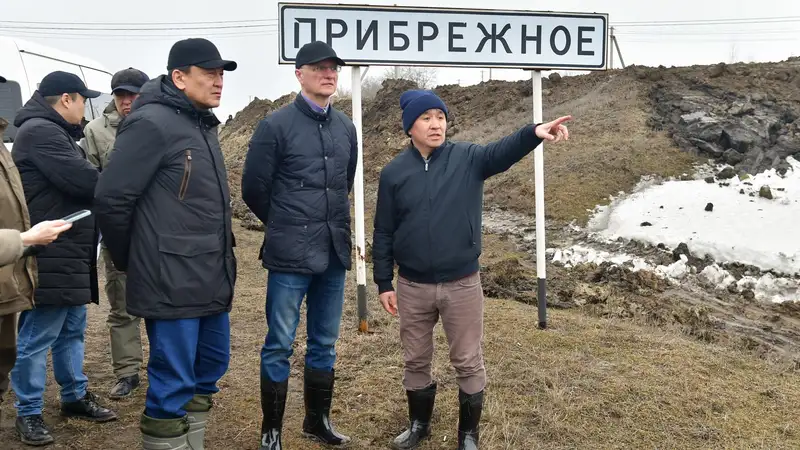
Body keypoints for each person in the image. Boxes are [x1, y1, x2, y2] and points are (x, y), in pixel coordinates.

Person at [372, 89, 571, 450]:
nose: (436, 124)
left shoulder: (468, 158)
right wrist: (383, 281)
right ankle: (419, 425)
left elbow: (502, 151)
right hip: (412, 285)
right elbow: (384, 230)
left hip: (461, 283)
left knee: (467, 360)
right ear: (410, 127)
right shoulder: (393, 173)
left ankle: (468, 435)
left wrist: (533, 133)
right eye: (426, 118)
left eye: (440, 117)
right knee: (415, 359)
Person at [93, 38, 237, 450]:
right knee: (172, 382)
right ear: (179, 77)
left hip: (211, 273)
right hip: (170, 277)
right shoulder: (151, 123)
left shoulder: (201, 123)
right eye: (209, 73)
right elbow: (111, 199)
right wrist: (133, 258)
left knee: (209, 369)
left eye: (221, 74)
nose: (218, 81)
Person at [241, 40, 357, 449]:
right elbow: (253, 188)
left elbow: (343, 184)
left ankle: (317, 421)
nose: (328, 74)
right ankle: (271, 431)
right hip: (289, 255)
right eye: (319, 67)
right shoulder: (275, 126)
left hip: (333, 253)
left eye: (333, 68)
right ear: (299, 73)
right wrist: (286, 224)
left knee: (324, 343)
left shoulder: (346, 128)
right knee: (279, 344)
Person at [9, 71, 117, 446]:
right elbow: (86, 181)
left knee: (71, 328)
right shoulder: (42, 132)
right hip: (51, 250)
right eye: (83, 100)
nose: (86, 108)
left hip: (69, 249)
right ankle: (28, 411)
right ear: (67, 99)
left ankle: (74, 395)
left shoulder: (53, 131)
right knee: (38, 335)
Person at [83, 66, 149, 400]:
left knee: (166, 303)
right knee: (122, 306)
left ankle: (166, 367)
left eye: (133, 95)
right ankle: (127, 372)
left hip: (157, 233)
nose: (126, 101)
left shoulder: (159, 126)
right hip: (117, 233)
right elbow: (88, 179)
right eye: (121, 95)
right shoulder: (95, 131)